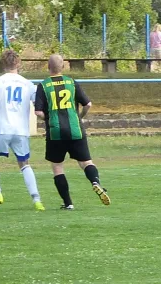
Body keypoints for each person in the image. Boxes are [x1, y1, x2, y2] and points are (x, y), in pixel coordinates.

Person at [34, 54, 110, 210]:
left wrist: (49, 119)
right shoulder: (72, 82)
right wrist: (79, 117)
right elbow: (88, 104)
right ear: (63, 67)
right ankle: (95, 182)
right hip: (75, 128)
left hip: (55, 132)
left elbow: (38, 113)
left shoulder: (43, 86)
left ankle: (68, 203)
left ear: (48, 67)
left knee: (57, 167)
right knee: (86, 162)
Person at [0, 50, 45, 211]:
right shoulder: (28, 84)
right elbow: (39, 107)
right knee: (25, 164)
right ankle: (36, 200)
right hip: (21, 131)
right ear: (18, 64)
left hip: (2, 128)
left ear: (3, 64)